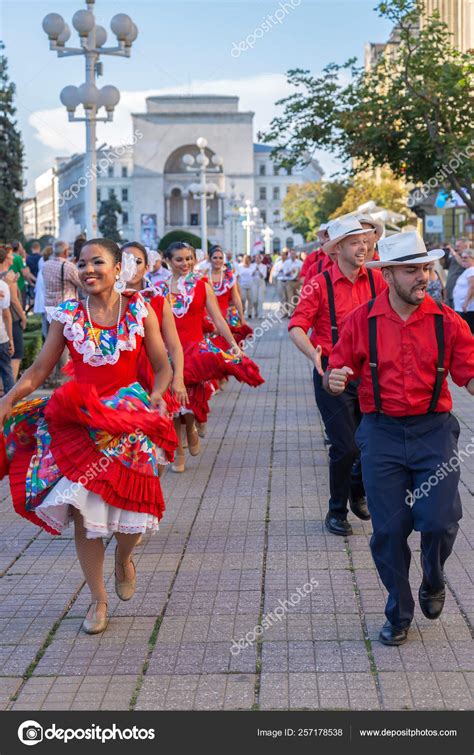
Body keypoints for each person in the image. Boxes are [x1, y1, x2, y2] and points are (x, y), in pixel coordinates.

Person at [0, 238, 176, 635]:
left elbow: (162, 365)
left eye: (98, 262)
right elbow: (39, 370)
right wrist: (9, 398)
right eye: (82, 263)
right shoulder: (67, 315)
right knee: (84, 511)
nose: (89, 269)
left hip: (129, 422)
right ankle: (98, 600)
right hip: (81, 422)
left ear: (118, 269)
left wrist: (155, 398)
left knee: (134, 518)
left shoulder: (140, 310)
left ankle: (123, 560)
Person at [325, 231, 474, 646]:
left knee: (441, 520)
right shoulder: (362, 322)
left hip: (433, 430)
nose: (422, 277)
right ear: (388, 274)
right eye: (411, 270)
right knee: (389, 531)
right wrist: (334, 379)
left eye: (425, 268)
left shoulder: (449, 322)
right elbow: (335, 369)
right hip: (381, 432)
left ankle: (433, 572)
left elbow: (470, 375)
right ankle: (399, 610)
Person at [288, 217, 386, 536]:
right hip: (332, 372)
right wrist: (312, 352)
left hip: (371, 372)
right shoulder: (320, 283)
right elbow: (297, 325)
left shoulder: (376, 280)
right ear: (338, 247)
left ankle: (357, 487)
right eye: (356, 242)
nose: (364, 247)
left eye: (365, 241)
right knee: (345, 445)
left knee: (372, 441)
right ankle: (336, 511)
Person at [155, 242, 264, 472]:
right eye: (179, 259)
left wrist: (234, 346)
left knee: (191, 402)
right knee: (173, 404)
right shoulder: (159, 289)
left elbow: (218, 319)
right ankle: (180, 454)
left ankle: (192, 429)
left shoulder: (203, 286)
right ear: (167, 261)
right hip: (169, 353)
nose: (185, 264)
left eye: (189, 258)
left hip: (195, 352)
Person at [207, 246, 252, 345]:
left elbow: (236, 298)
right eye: (215, 258)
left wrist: (242, 317)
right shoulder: (204, 277)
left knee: (233, 349)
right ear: (209, 259)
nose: (218, 260)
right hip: (210, 318)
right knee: (213, 350)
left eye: (220, 258)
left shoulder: (229, 276)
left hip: (229, 316)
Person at [0, 244, 27, 381]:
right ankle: (11, 389)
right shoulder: (9, 276)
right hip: (12, 318)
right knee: (15, 354)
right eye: (10, 255)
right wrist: (24, 317)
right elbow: (15, 300)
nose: (12, 257)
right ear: (6, 259)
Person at [452, 248, 474, 332]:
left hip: (467, 308)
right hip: (464, 308)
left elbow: (472, 286)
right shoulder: (468, 270)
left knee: (468, 331)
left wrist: (466, 303)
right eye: (462, 257)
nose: (463, 259)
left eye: (465, 257)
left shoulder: (472, 270)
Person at [445, 238, 469, 309]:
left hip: (460, 296)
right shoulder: (454, 256)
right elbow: (444, 265)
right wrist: (444, 255)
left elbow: (463, 264)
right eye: (455, 246)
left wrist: (454, 253)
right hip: (449, 292)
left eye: (458, 246)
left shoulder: (469, 256)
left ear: (466, 246)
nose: (456, 248)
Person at [0, 279, 14, 395]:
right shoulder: (2, 285)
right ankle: (11, 405)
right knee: (6, 369)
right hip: (1, 336)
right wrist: (11, 338)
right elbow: (6, 315)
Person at [11, 241, 35, 308]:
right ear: (18, 248)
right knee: (21, 305)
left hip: (11, 285)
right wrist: (31, 282)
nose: (22, 248)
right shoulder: (18, 258)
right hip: (20, 286)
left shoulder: (10, 256)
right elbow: (24, 273)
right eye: (21, 246)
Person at [269, 250, 289, 316]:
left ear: (286, 256)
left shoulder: (289, 263)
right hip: (280, 280)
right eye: (282, 255)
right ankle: (283, 312)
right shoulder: (278, 264)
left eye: (284, 255)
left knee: (288, 297)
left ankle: (289, 311)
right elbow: (274, 273)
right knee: (282, 297)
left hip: (288, 281)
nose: (282, 256)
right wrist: (279, 271)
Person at [249, 253, 267, 319]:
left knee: (260, 299)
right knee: (254, 299)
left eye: (258, 258)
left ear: (260, 259)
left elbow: (264, 276)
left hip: (261, 282)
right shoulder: (252, 265)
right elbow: (250, 274)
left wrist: (259, 271)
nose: (257, 259)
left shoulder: (264, 266)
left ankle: (260, 313)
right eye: (256, 258)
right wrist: (254, 270)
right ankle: (256, 312)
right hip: (254, 283)